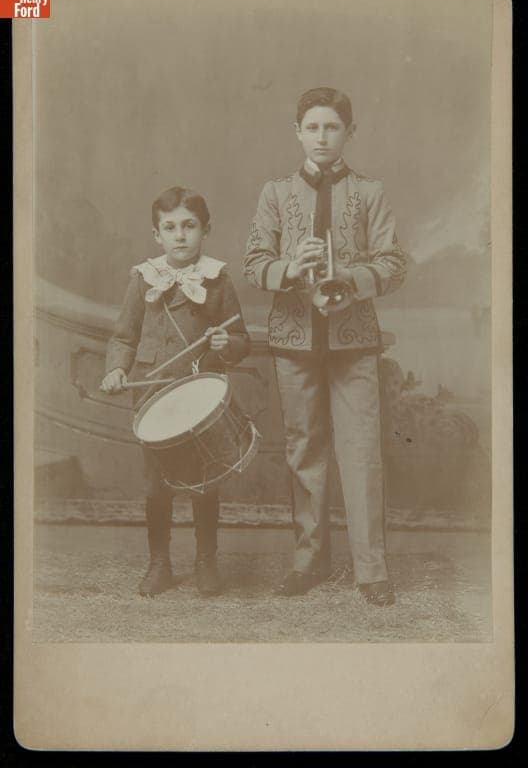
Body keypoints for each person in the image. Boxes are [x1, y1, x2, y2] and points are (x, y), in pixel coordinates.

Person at [244, 87, 406, 605]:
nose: (321, 137)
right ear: (297, 132)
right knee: (304, 450)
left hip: (353, 339)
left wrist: (350, 279)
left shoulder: (370, 192)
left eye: (332, 127)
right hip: (294, 339)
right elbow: (253, 263)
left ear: (349, 133)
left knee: (360, 452)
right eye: (312, 127)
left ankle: (372, 570)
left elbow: (393, 263)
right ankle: (309, 561)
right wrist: (291, 268)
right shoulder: (275, 193)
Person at [101, 186, 250, 597]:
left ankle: (206, 562)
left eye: (189, 226)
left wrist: (228, 345)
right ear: (156, 234)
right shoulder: (143, 277)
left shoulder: (217, 279)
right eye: (170, 227)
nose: (180, 235)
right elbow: (124, 337)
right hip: (152, 397)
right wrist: (116, 368)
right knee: (157, 485)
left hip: (200, 397)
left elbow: (239, 337)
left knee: (205, 481)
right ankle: (160, 564)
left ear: (206, 230)